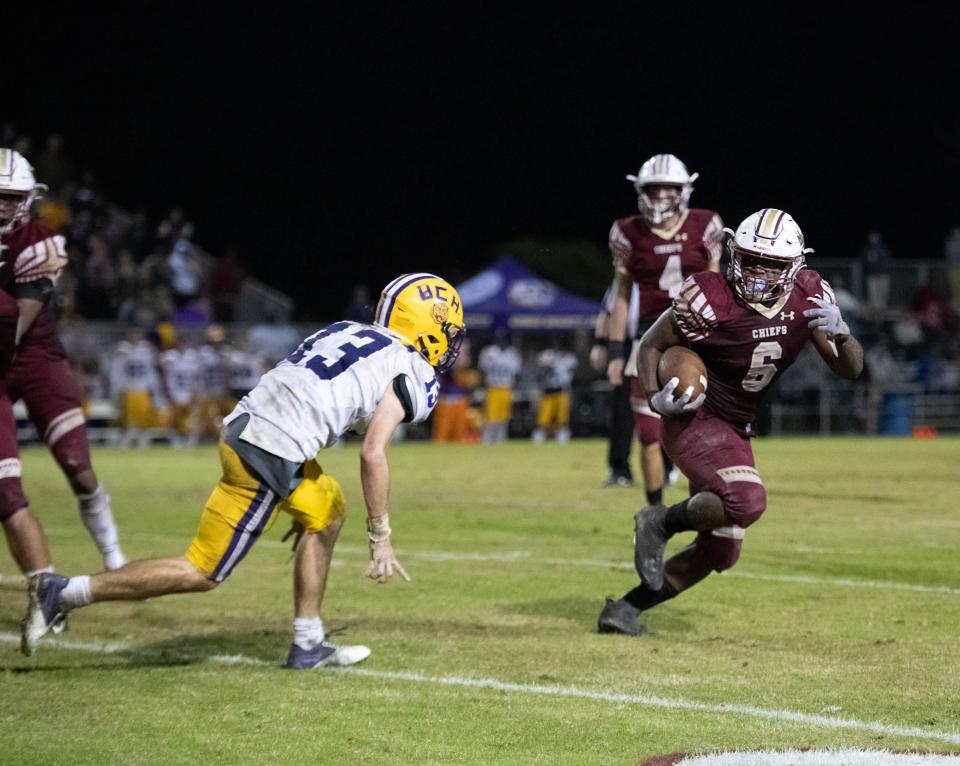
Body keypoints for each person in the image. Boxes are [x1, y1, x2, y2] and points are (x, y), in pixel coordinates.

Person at [23, 272, 466, 670]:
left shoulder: (346, 330)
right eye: (446, 331)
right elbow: (373, 452)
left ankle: (308, 643)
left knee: (327, 510)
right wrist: (380, 537)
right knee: (203, 570)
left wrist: (294, 489)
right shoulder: (412, 368)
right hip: (269, 452)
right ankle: (64, 593)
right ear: (425, 326)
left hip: (249, 425)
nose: (450, 342)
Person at [598, 209, 863, 636]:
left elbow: (850, 370)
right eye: (751, 258)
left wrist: (844, 334)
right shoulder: (711, 296)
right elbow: (651, 345)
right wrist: (654, 399)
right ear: (734, 253)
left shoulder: (810, 296)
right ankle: (658, 522)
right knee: (747, 500)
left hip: (736, 425)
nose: (758, 271)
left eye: (772, 263)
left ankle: (625, 609)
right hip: (693, 412)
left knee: (720, 550)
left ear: (795, 266)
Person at [0, 148, 125, 584]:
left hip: (33, 356)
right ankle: (44, 586)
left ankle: (113, 557)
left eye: (11, 197)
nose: (2, 205)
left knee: (76, 464)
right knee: (4, 486)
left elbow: (12, 327)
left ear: (29, 198)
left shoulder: (41, 243)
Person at [606, 153, 724, 507]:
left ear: (683, 191)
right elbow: (622, 296)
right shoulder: (627, 231)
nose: (659, 196)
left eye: (667, 189)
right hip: (650, 336)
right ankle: (655, 512)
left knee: (703, 426)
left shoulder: (706, 224)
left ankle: (710, 500)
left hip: (698, 335)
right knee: (647, 432)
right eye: (652, 189)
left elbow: (717, 286)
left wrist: (724, 339)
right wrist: (615, 350)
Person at [591, 278, 638, 486]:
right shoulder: (624, 279)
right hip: (628, 344)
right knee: (622, 409)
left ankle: (667, 467)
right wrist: (601, 344)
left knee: (668, 406)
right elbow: (607, 312)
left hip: (660, 341)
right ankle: (619, 468)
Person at [477, 329, 521, 443]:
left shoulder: (512, 353)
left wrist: (515, 389)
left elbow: (516, 374)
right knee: (490, 416)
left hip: (506, 387)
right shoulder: (488, 352)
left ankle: (501, 440)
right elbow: (483, 371)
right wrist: (481, 388)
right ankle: (487, 440)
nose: (502, 343)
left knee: (504, 417)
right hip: (493, 387)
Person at [531, 344, 578, 443]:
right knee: (544, 417)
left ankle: (562, 433)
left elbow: (569, 376)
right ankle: (541, 434)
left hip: (560, 391)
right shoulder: (546, 356)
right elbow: (539, 376)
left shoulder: (566, 359)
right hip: (548, 392)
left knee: (562, 416)